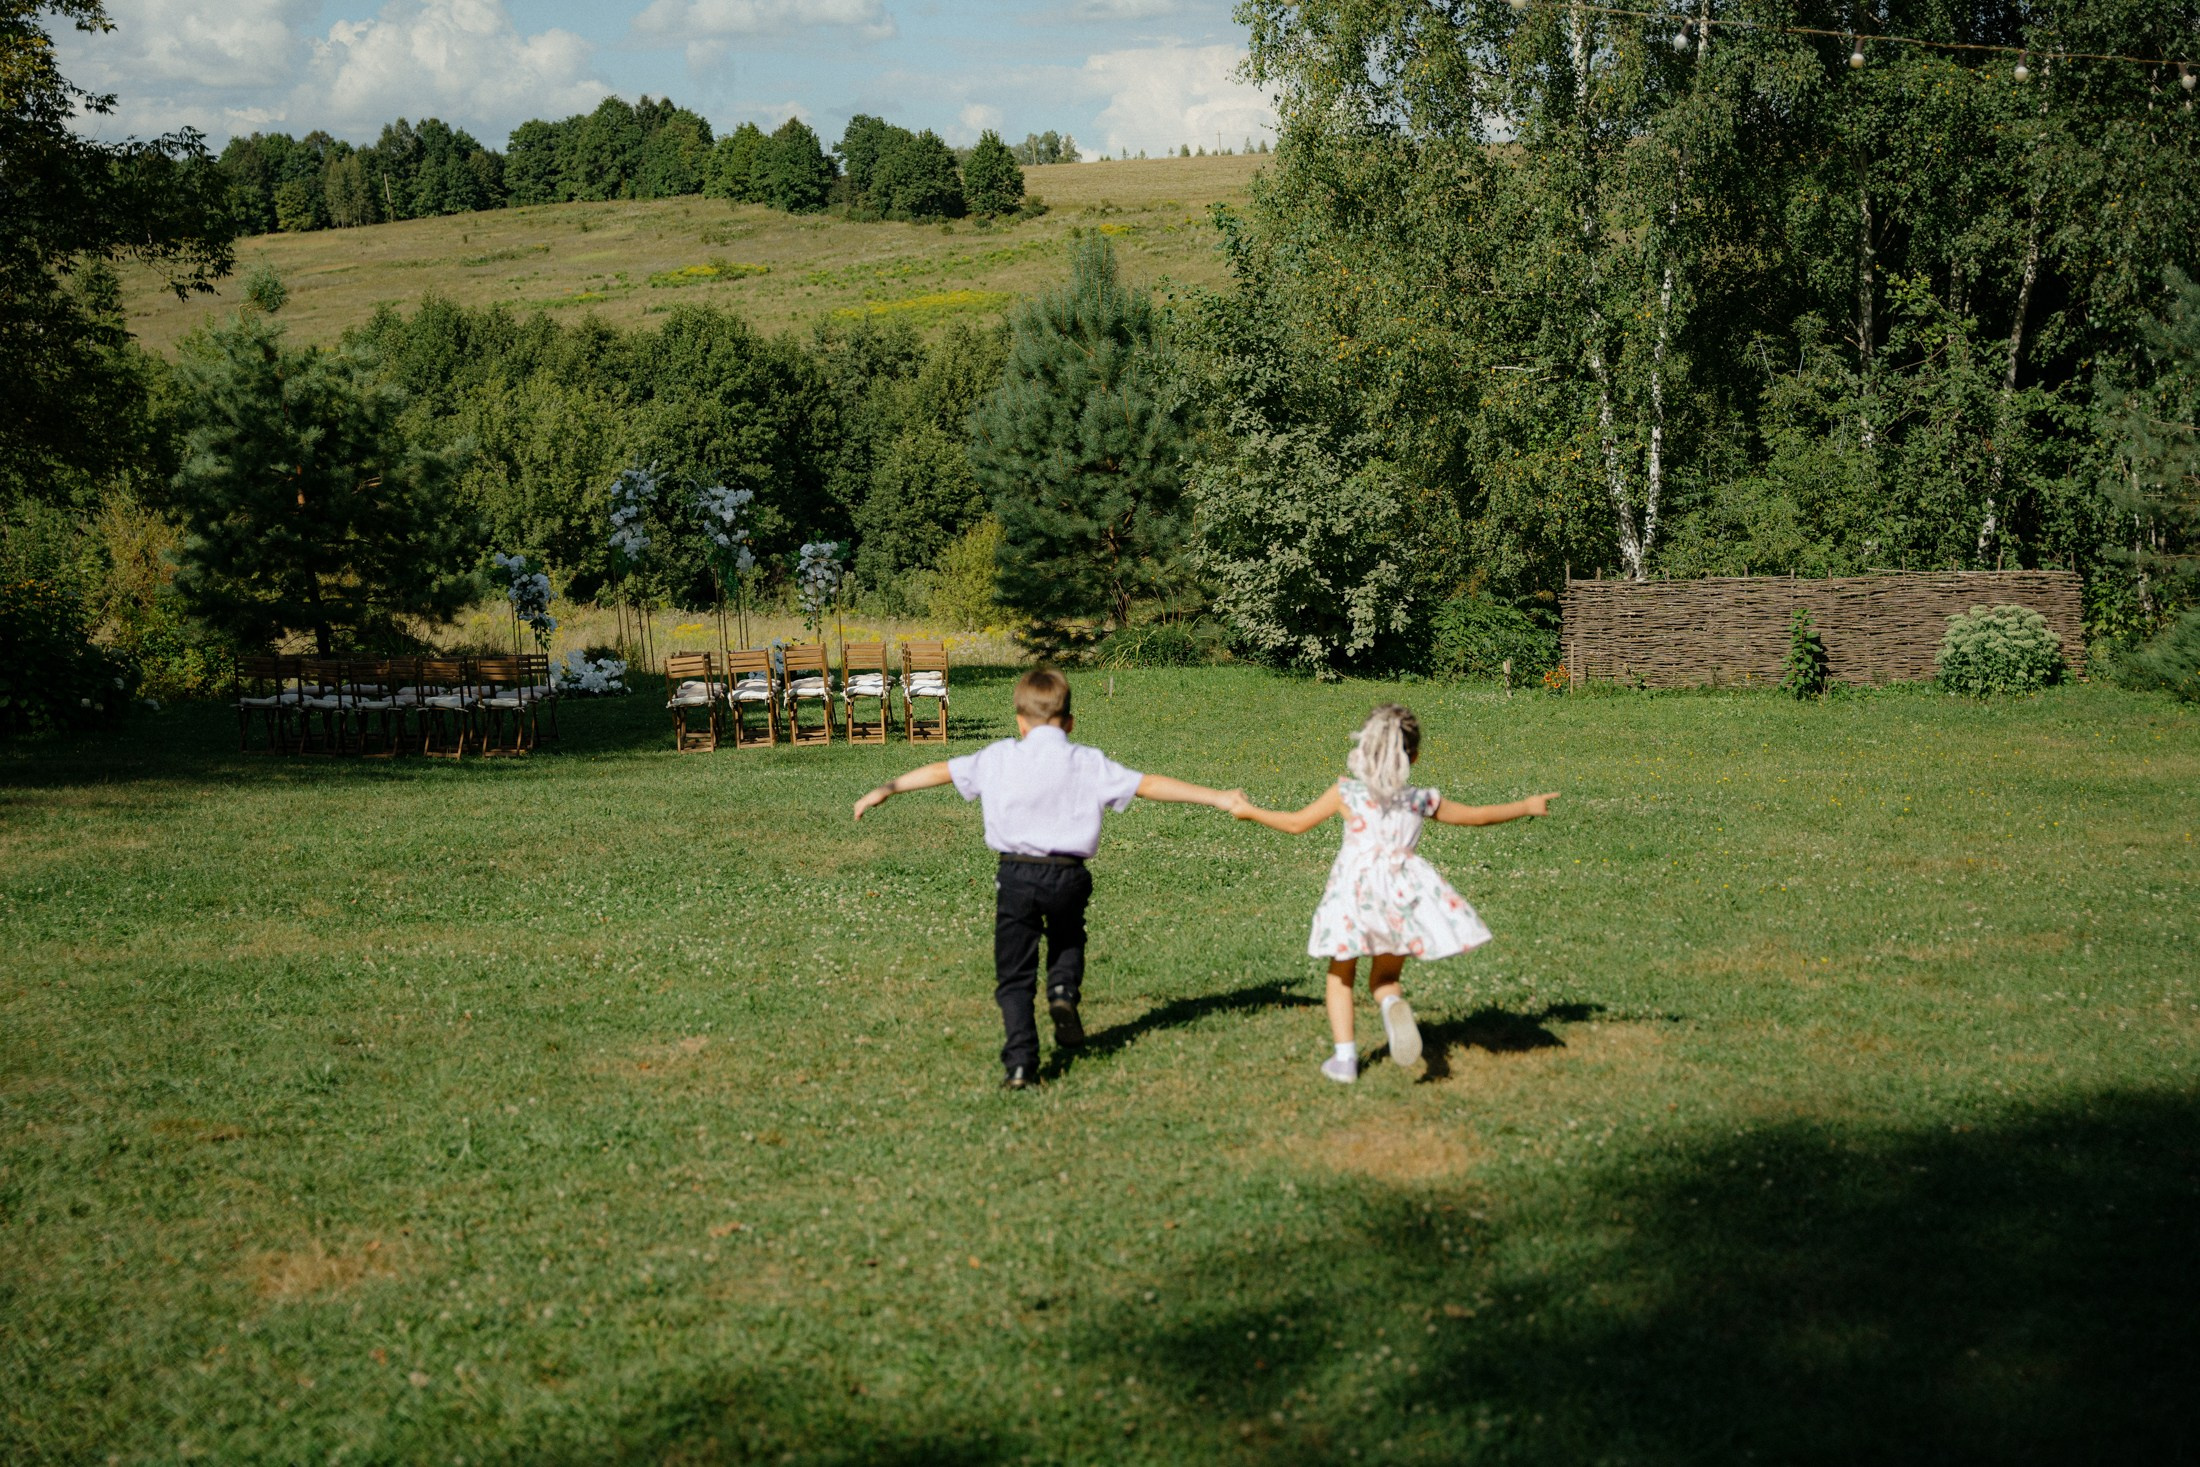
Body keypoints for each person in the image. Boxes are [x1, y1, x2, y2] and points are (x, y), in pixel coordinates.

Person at [852, 668, 1240, 1089]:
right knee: (1068, 936)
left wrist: (886, 788)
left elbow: (940, 771)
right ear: (1070, 723)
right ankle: (1061, 990)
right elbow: (1148, 784)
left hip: (1016, 874)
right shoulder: (1088, 761)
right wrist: (1216, 796)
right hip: (1068, 874)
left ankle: (1020, 1066)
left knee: (1015, 975)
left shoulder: (998, 756)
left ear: (1020, 723)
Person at [1227, 703, 1558, 1084]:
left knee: (1341, 974)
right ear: (1413, 756)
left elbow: (1296, 823)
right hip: (1400, 896)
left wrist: (1250, 811)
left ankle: (1345, 1060)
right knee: (1384, 977)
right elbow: (1477, 815)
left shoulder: (1346, 793)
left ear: (1363, 752)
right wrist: (1526, 806)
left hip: (1354, 896)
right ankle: (1391, 1003)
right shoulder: (1420, 800)